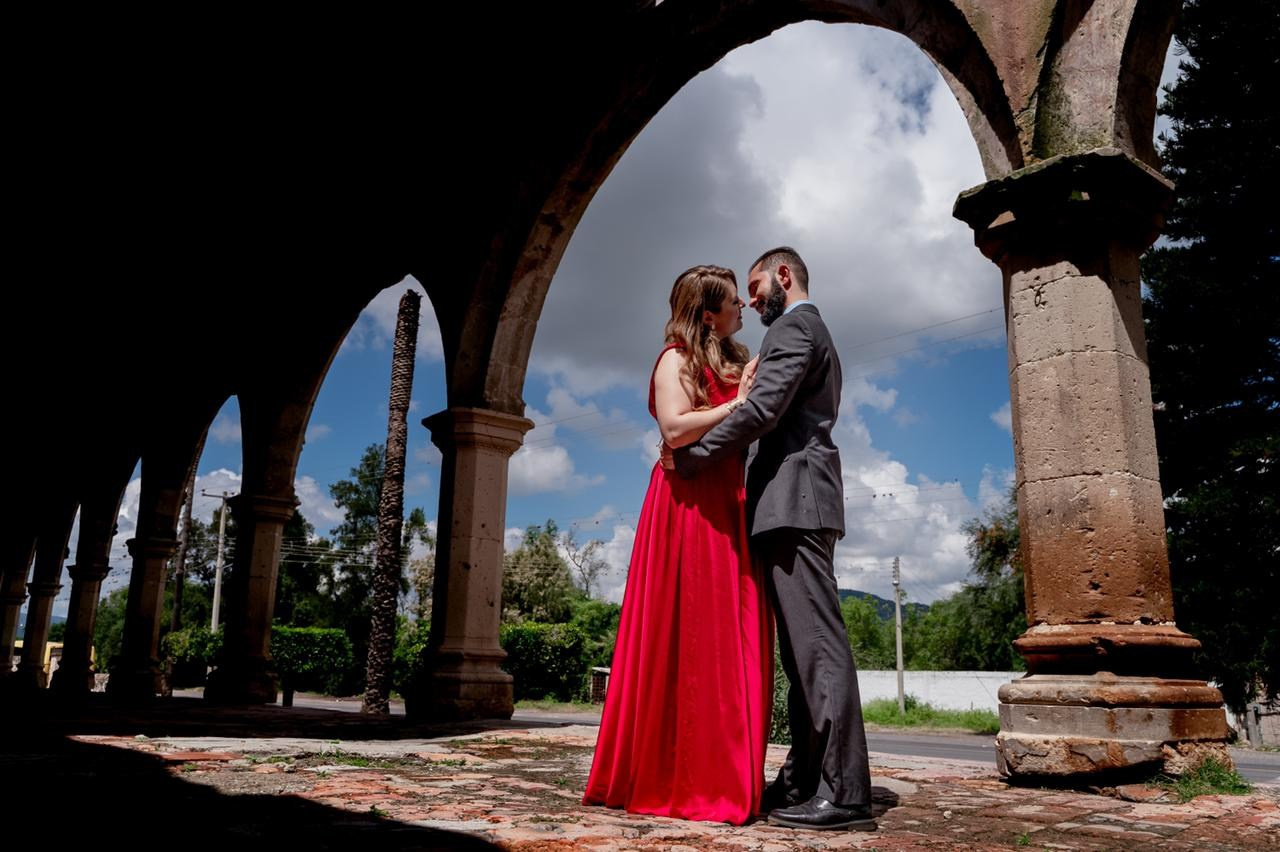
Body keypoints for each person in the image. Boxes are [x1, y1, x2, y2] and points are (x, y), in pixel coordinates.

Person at [671, 246, 875, 832]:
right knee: (801, 653)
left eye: (756, 285)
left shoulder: (793, 328)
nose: (750, 298)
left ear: (784, 275)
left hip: (796, 501)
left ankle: (845, 793)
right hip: (795, 503)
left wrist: (692, 458)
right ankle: (803, 780)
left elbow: (761, 411)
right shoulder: (805, 331)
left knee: (818, 648)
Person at [582, 264, 772, 826]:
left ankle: (723, 773)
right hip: (686, 507)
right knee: (684, 635)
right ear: (708, 315)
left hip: (728, 501)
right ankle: (675, 777)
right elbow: (673, 429)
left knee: (730, 636)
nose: (743, 307)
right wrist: (738, 403)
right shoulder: (675, 359)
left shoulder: (735, 360)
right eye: (733, 301)